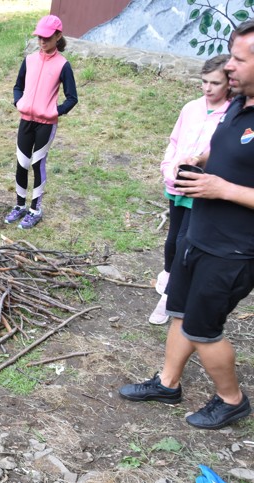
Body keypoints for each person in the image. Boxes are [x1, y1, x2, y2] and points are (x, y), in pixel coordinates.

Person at [119, 21, 254, 430]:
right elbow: (221, 149)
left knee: (203, 327)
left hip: (233, 250)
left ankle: (232, 399)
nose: (229, 66)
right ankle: (167, 383)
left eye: (239, 59)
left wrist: (222, 188)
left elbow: (231, 185)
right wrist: (199, 162)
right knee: (179, 310)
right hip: (199, 232)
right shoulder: (238, 104)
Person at [148, 55, 231, 325]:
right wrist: (167, 168)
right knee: (173, 238)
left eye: (215, 83)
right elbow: (174, 142)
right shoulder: (191, 108)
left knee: (186, 241)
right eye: (204, 82)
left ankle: (170, 297)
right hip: (177, 184)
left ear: (229, 83)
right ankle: (168, 273)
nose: (208, 88)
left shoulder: (231, 115)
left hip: (202, 189)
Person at [4, 15, 77, 229]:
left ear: (58, 36)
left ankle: (35, 209)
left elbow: (72, 97)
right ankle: (19, 206)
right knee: (22, 163)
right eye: (39, 37)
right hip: (25, 120)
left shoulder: (63, 65)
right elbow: (18, 86)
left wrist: (54, 111)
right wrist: (19, 102)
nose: (42, 41)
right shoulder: (29, 60)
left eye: (46, 37)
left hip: (46, 124)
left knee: (37, 163)